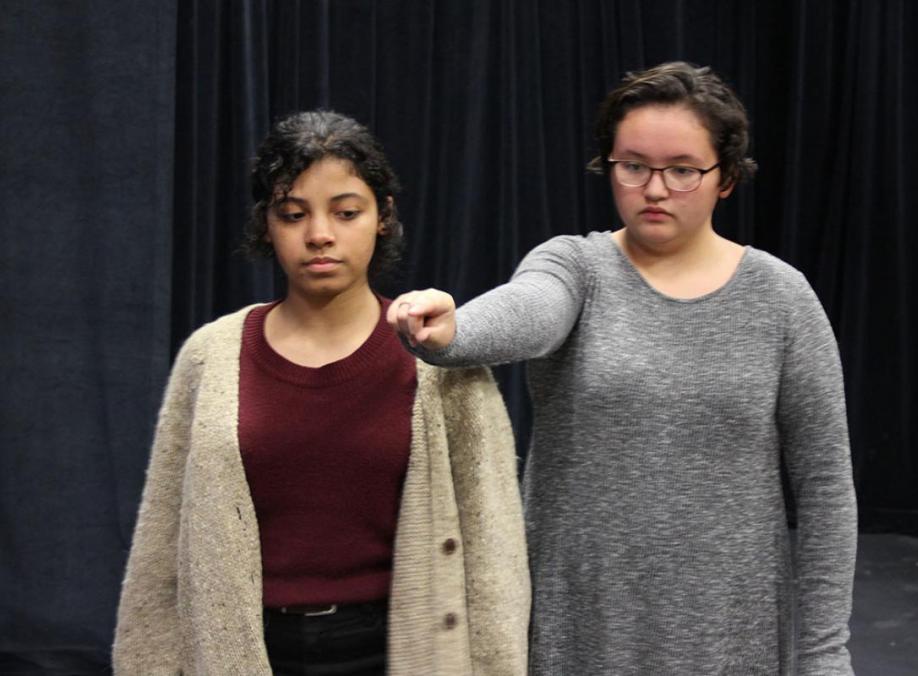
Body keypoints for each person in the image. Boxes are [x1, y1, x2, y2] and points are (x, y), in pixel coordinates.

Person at [389, 62, 857, 675]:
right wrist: (455, 330)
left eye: (682, 170)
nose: (655, 189)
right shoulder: (576, 267)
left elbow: (825, 487)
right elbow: (532, 307)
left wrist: (824, 656)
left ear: (726, 179)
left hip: (731, 636)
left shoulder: (780, 298)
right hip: (581, 626)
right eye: (633, 166)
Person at [113, 110, 529, 675]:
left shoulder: (437, 356)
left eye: (345, 211)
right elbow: (162, 545)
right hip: (244, 648)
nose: (319, 234)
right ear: (266, 224)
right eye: (293, 213)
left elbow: (492, 542)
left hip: (399, 648)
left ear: (382, 217)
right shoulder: (212, 355)